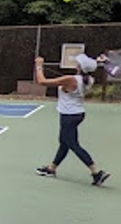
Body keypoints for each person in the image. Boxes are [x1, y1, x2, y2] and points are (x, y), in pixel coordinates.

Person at [34, 54, 109, 186]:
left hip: (69, 116)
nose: (77, 64)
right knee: (64, 143)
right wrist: (98, 61)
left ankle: (96, 173)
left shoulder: (70, 79)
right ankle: (52, 169)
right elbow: (90, 68)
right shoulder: (89, 79)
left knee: (73, 144)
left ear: (80, 67)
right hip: (77, 114)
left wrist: (39, 66)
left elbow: (42, 82)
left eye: (79, 63)